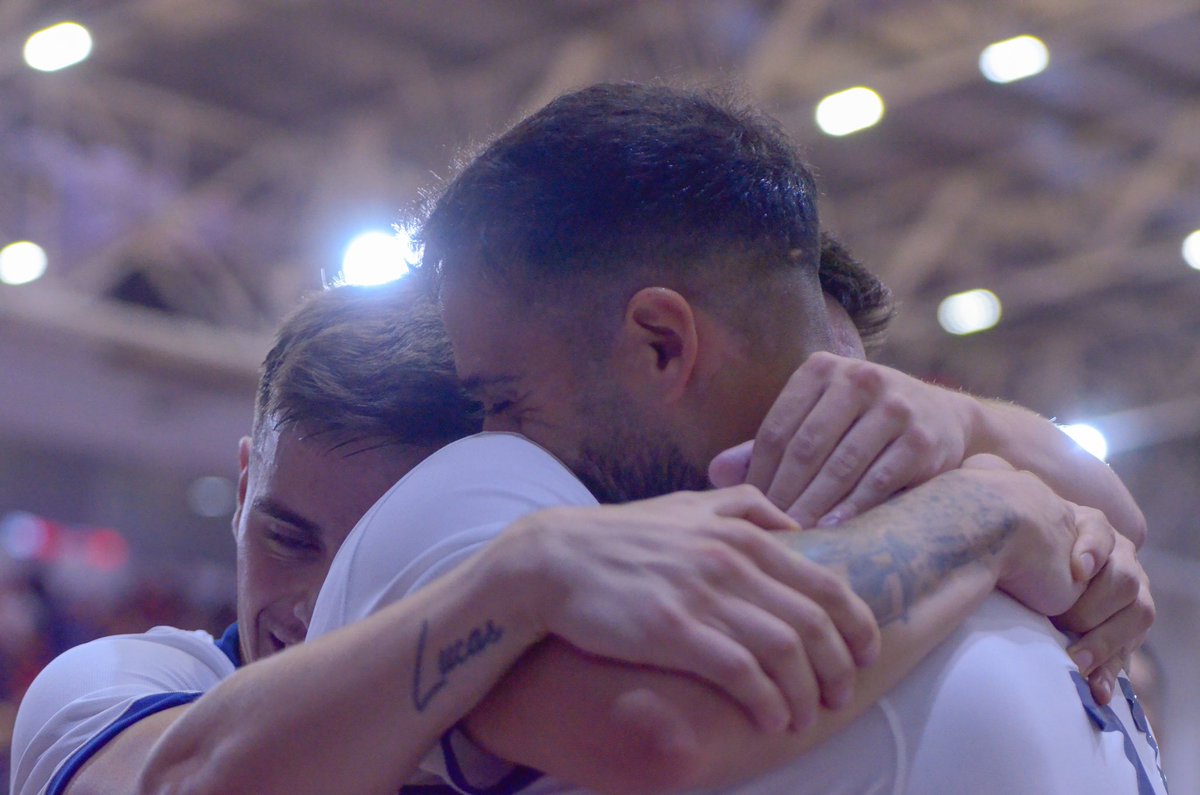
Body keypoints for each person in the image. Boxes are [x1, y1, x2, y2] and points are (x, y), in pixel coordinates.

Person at [309, 82, 1161, 793]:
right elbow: (659, 723)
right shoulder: (490, 489)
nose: (492, 428)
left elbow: (1124, 516)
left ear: (663, 345)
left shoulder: (967, 484)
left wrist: (976, 435)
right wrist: (989, 508)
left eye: (502, 396)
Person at [11, 280, 880, 795]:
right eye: (288, 535)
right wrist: (518, 578)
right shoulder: (118, 686)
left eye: (385, 556)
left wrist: (1006, 479)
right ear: (244, 485)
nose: (316, 606)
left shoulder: (544, 711)